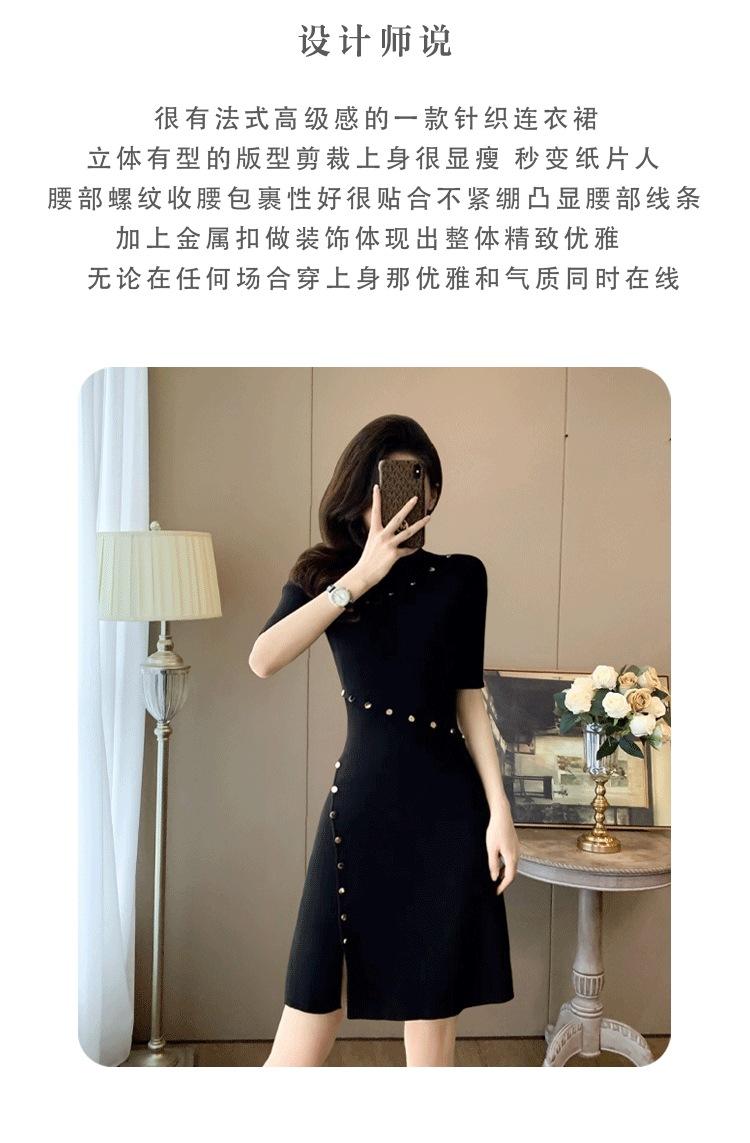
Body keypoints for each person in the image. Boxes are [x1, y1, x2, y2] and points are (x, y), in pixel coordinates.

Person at [248, 414, 518, 1067]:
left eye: (418, 480)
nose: (403, 495)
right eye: (389, 480)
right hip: (362, 811)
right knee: (306, 1018)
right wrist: (361, 577)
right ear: (359, 489)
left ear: (432, 492)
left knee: (433, 1029)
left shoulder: (462, 576)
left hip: (449, 813)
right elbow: (262, 658)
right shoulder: (324, 575)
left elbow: (469, 698)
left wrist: (500, 811)